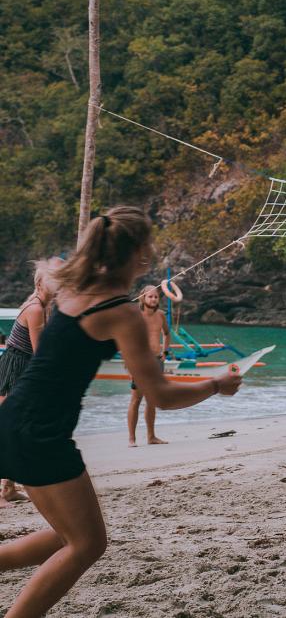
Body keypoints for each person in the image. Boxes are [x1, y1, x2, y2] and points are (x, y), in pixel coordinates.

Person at [0, 207, 241, 617]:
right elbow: (161, 394)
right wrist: (216, 384)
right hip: (41, 433)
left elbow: (55, 269)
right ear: (140, 255)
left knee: (66, 537)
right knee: (87, 544)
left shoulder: (71, 290)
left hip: (13, 422)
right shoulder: (120, 313)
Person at [0, 257, 62, 505]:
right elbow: (40, 352)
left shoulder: (42, 306)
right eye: (51, 283)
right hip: (16, 369)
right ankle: (9, 488)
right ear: (39, 283)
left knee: (16, 429)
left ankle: (9, 486)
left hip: (19, 365)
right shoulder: (36, 309)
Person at [127, 285, 171, 446]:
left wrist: (165, 352)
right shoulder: (136, 316)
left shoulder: (160, 315)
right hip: (139, 362)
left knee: (152, 400)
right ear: (142, 298)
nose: (153, 299)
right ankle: (132, 438)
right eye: (150, 296)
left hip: (157, 361)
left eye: (156, 297)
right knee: (136, 399)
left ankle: (151, 437)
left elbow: (166, 333)